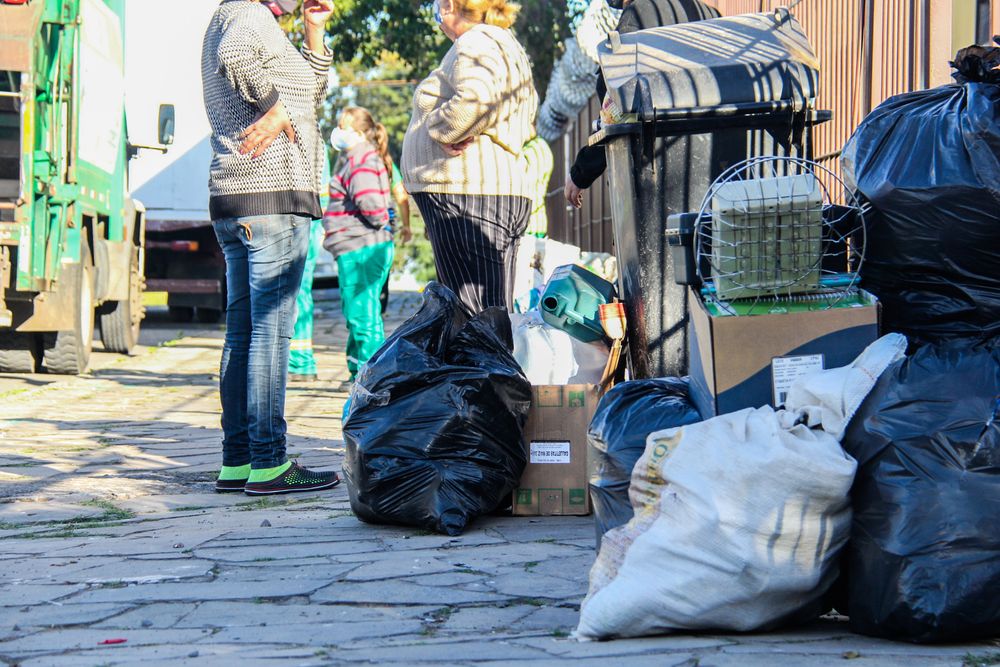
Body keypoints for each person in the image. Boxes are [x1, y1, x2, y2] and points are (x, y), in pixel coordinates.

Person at [202, 0, 340, 495]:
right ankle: (269, 462)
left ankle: (238, 460)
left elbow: (309, 93)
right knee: (269, 333)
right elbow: (237, 57)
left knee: (243, 332)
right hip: (271, 192)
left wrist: (313, 32)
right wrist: (274, 107)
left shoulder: (253, 19)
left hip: (237, 196)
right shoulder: (249, 16)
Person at [402, 0, 538, 314]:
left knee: (472, 319)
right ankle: (488, 364)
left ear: (450, 5)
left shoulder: (476, 41)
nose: (436, 15)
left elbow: (476, 100)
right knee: (488, 314)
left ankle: (482, 366)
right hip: (489, 191)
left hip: (468, 193)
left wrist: (438, 128)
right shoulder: (505, 45)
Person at [565, 0, 719, 208]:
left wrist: (581, 172)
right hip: (718, 170)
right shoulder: (708, 14)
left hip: (660, 170)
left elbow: (618, 113)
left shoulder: (637, 16)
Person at [322, 107, 395, 381]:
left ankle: (371, 377)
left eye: (345, 126)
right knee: (364, 311)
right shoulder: (359, 158)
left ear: (361, 132)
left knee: (361, 314)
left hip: (360, 247)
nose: (338, 132)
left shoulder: (360, 160)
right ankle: (360, 372)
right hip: (362, 245)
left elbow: (373, 207)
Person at [288, 153, 331, 383]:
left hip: (299, 225)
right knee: (300, 293)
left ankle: (300, 361)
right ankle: (300, 360)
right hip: (309, 225)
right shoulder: (318, 145)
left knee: (294, 294)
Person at [379, 156, 413, 314]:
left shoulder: (349, 157)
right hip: (385, 223)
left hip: (356, 224)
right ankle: (379, 310)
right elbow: (401, 196)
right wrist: (406, 226)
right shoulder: (386, 161)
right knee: (381, 272)